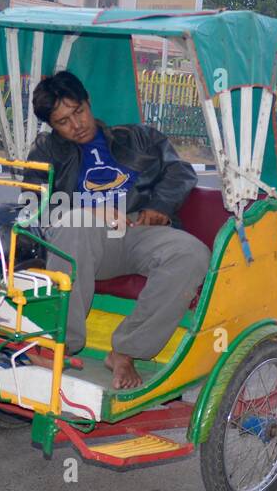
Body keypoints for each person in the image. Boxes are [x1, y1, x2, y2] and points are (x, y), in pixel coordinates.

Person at [24, 71, 210, 390]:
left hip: (136, 228)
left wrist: (160, 206)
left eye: (79, 111)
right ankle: (59, 343)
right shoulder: (46, 151)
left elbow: (180, 173)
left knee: (192, 254)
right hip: (85, 237)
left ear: (88, 102)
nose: (77, 124)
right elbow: (33, 208)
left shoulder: (138, 138)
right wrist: (90, 211)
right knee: (75, 224)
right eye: (63, 122)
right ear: (52, 126)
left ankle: (126, 351)